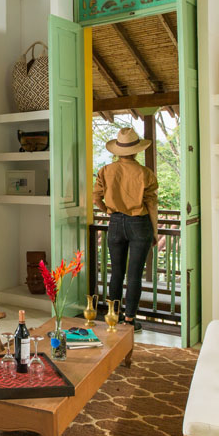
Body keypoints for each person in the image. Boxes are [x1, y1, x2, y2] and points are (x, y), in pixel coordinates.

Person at [93, 126, 158, 333]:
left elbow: (96, 198)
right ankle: (130, 320)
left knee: (117, 272)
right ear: (136, 150)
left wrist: (109, 212)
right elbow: (152, 205)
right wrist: (155, 231)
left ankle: (113, 316)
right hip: (139, 223)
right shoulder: (145, 173)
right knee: (134, 275)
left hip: (116, 223)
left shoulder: (106, 171)